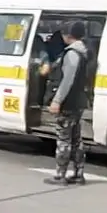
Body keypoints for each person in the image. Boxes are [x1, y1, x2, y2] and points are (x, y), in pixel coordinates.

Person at [44, 21, 90, 186]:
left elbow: (67, 80)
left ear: (67, 35)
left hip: (68, 103)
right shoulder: (85, 52)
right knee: (76, 139)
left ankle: (60, 175)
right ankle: (78, 174)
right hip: (79, 101)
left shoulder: (71, 54)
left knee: (63, 139)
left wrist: (57, 100)